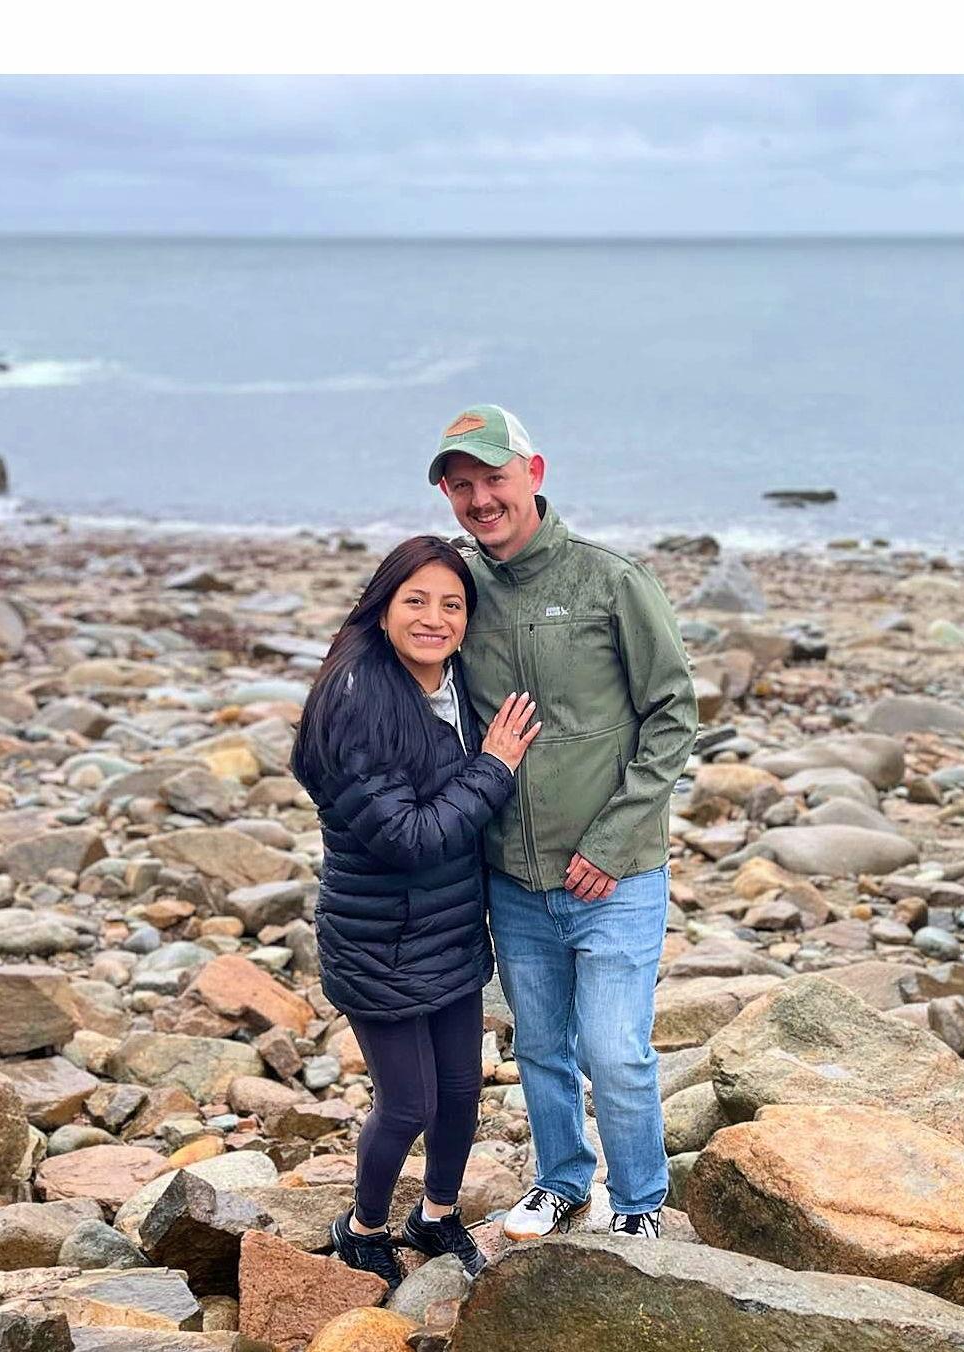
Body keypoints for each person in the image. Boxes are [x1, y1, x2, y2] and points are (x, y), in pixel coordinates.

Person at [428, 405, 697, 1241]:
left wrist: (612, 843)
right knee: (540, 1049)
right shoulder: (460, 589)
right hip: (512, 875)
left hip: (615, 875)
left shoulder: (611, 580)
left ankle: (641, 1203)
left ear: (534, 474)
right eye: (460, 486)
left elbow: (672, 713)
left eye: (493, 479)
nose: (479, 499)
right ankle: (561, 1183)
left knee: (615, 1054)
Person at [291, 534, 540, 1289]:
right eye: (416, 601)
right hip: (377, 940)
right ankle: (362, 1227)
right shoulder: (357, 701)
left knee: (462, 1094)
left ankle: (435, 1215)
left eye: (452, 604)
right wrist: (495, 766)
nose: (435, 618)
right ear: (383, 606)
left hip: (450, 930)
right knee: (407, 1105)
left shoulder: (458, 682)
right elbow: (409, 838)